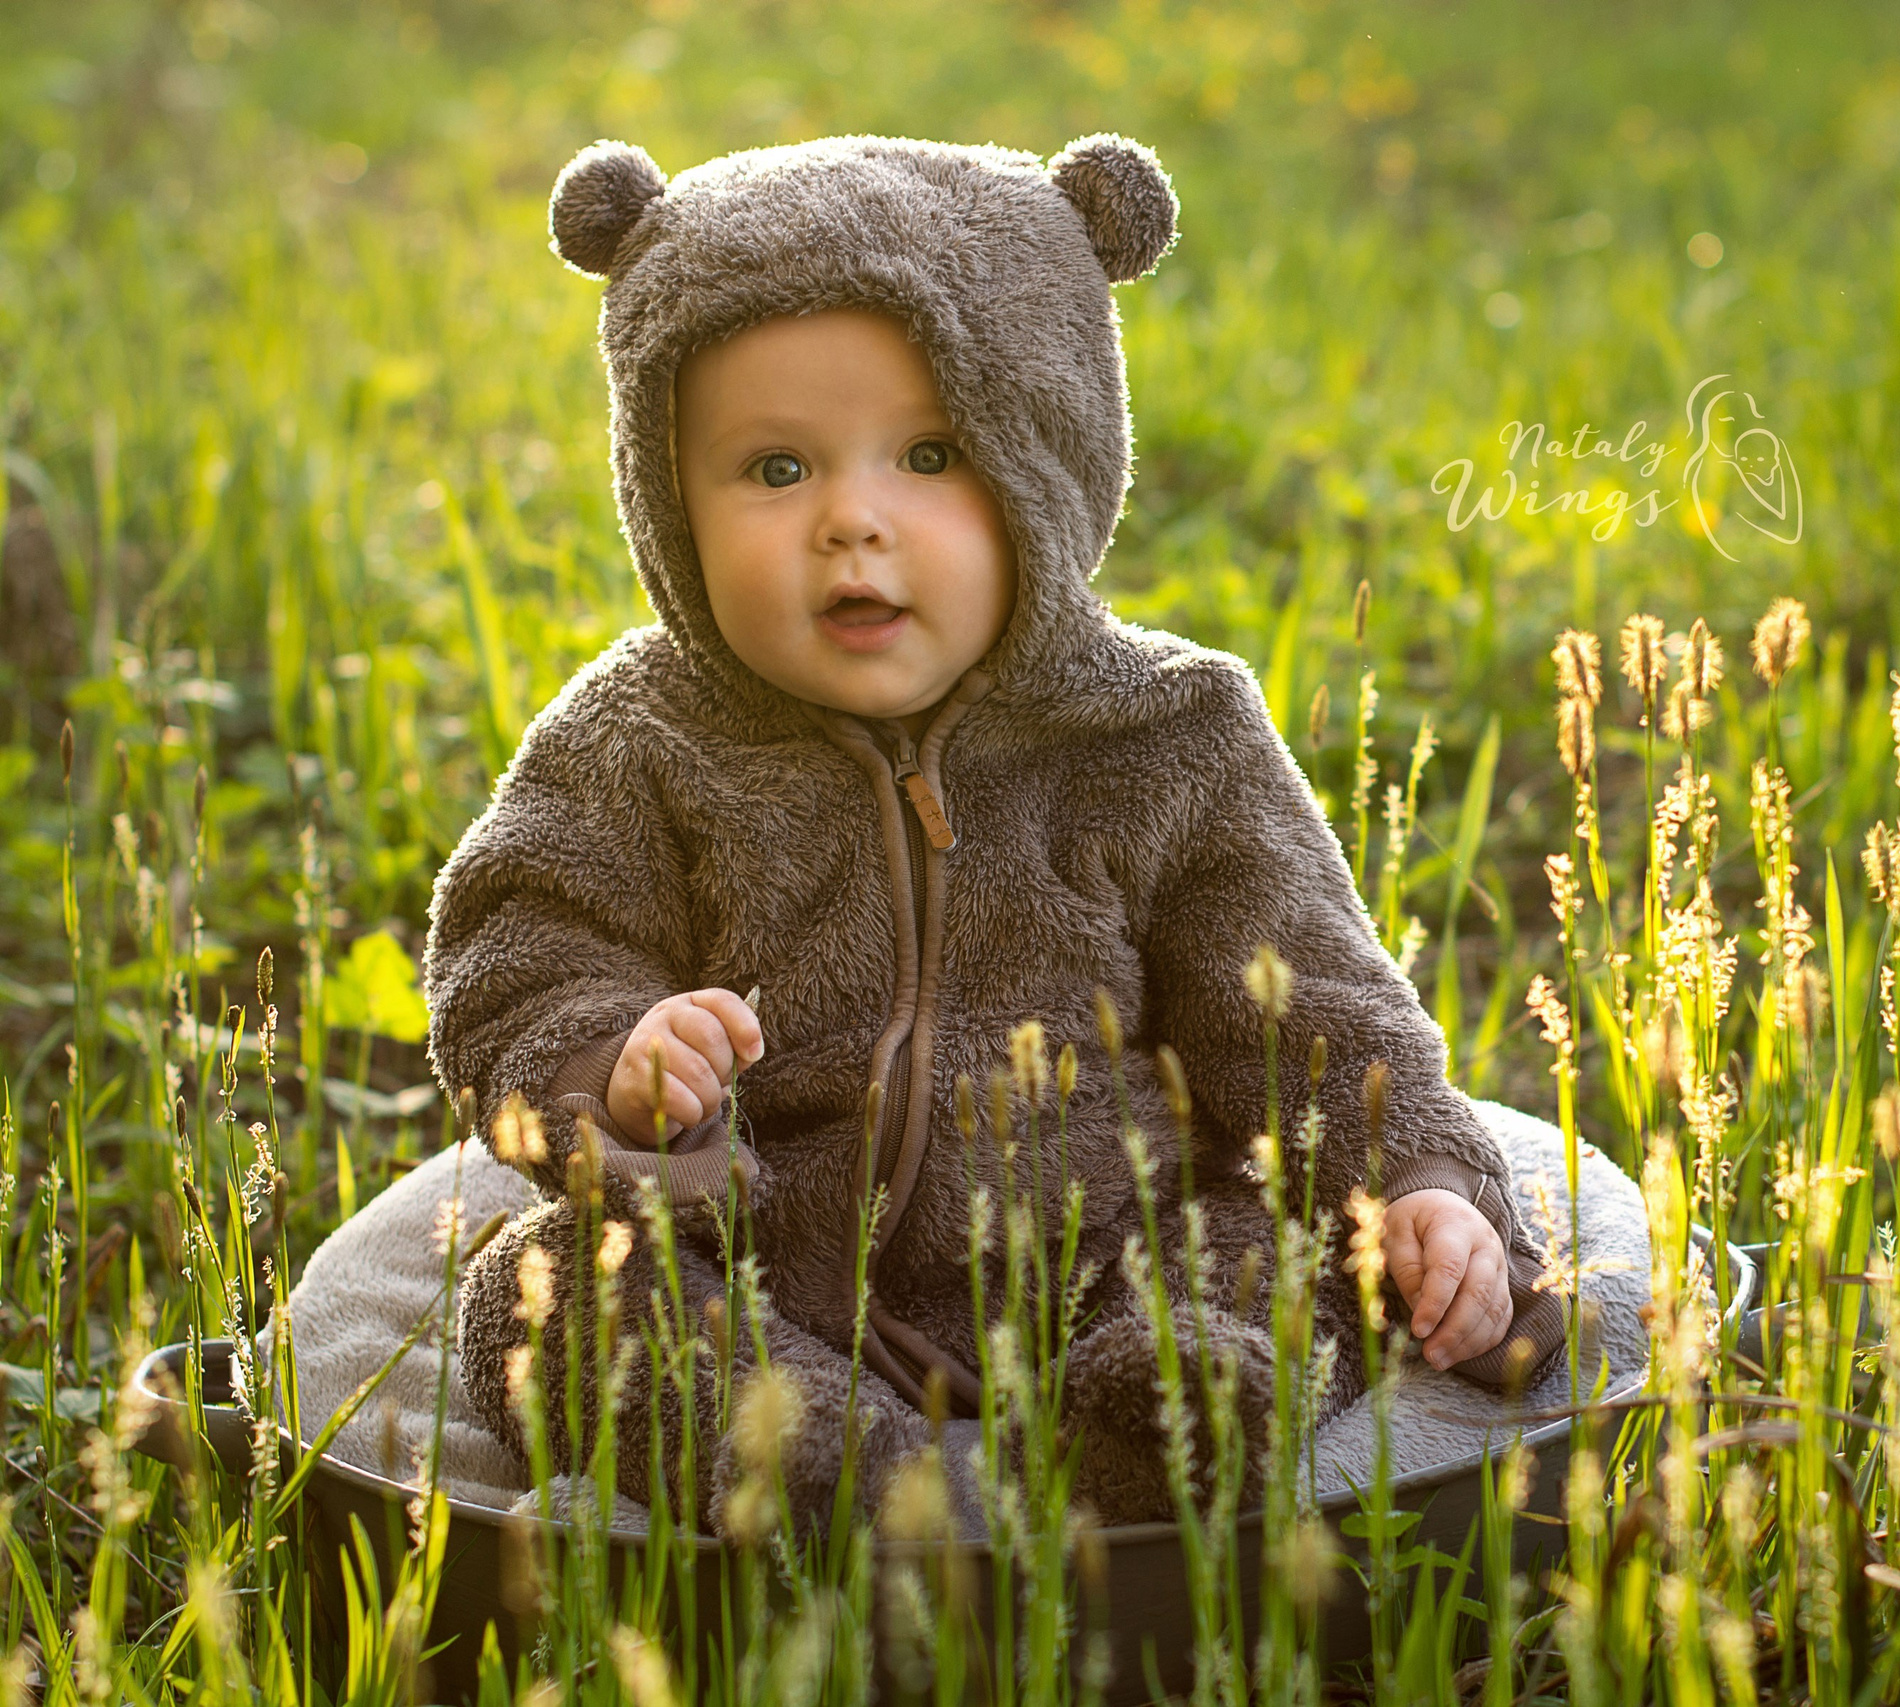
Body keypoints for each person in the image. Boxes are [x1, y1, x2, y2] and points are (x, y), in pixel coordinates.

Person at [423, 131, 1565, 1534]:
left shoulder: (1164, 731)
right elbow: (513, 956)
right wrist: (617, 1068)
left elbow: (1311, 1004)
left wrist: (1424, 1185)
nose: (852, 521)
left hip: (1116, 1244)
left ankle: (1165, 1416)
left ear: (1048, 454)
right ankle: (830, 1469)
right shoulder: (636, 739)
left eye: (930, 456)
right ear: (664, 493)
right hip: (773, 1275)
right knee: (544, 1296)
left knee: (1277, 1250)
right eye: (774, 470)